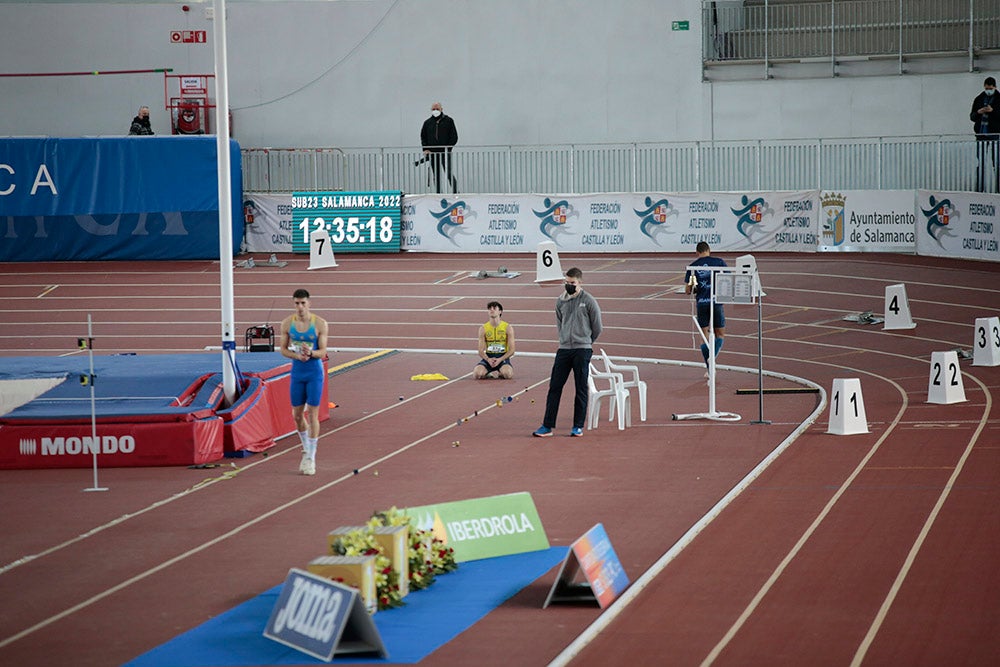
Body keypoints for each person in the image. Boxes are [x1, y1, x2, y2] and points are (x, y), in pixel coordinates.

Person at [533, 267, 603, 438]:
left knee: (580, 388)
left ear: (580, 283)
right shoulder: (560, 301)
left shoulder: (589, 300)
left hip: (582, 349)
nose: (569, 285)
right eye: (567, 282)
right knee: (555, 387)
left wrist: (586, 341)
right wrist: (564, 339)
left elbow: (597, 326)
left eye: (572, 283)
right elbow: (560, 323)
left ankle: (578, 426)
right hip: (564, 349)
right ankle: (547, 425)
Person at [279, 288, 329, 476]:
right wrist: (296, 355)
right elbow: (283, 349)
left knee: (313, 415)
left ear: (309, 303)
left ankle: (311, 457)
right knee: (297, 415)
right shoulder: (286, 323)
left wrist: (311, 353)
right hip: (297, 372)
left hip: (314, 373)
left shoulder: (320, 324)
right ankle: (306, 447)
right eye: (297, 303)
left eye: (303, 303)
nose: (300, 307)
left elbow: (323, 351)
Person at [685, 241, 727, 375]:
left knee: (704, 336)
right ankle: (713, 356)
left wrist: (695, 287)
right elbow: (727, 280)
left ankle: (710, 369)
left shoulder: (693, 267)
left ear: (697, 252)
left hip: (702, 303)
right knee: (720, 334)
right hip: (716, 302)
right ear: (709, 250)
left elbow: (688, 289)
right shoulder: (719, 262)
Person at [419, 102, 459, 194]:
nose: (435, 111)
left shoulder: (449, 121)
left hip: (445, 153)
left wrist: (448, 148)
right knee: (436, 175)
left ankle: (456, 192)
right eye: (433, 109)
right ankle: (438, 193)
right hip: (433, 153)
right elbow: (423, 137)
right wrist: (425, 149)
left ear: (441, 109)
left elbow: (454, 137)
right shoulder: (427, 123)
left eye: (437, 109)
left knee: (448, 173)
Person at [970, 76, 1000, 193]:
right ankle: (980, 189)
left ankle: (998, 189)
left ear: (995, 87)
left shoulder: (999, 99)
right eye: (987, 88)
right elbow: (972, 116)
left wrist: (993, 111)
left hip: (995, 136)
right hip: (981, 135)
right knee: (980, 163)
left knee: (996, 163)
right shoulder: (979, 99)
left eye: (990, 88)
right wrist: (979, 112)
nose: (988, 90)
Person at [473, 301, 515, 379]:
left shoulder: (507, 328)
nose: (491, 310)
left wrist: (500, 360)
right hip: (489, 357)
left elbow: (512, 350)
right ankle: (488, 372)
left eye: (494, 308)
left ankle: (501, 371)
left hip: (502, 357)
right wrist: (488, 359)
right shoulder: (483, 328)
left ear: (500, 311)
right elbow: (480, 350)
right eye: (489, 308)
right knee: (477, 374)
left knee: (507, 374)